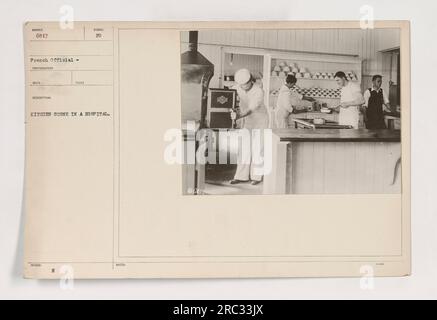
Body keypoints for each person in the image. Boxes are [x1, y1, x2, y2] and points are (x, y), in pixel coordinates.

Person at [229, 68, 268, 185]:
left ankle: (256, 177)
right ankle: (241, 176)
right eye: (240, 85)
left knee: (258, 147)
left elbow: (251, 109)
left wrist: (238, 115)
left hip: (260, 120)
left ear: (251, 81)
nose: (242, 87)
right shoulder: (237, 87)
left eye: (244, 85)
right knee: (244, 147)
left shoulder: (258, 91)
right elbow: (230, 98)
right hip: (246, 120)